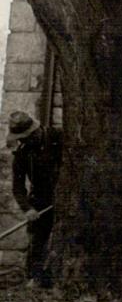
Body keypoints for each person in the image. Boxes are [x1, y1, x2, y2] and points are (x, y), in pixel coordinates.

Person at [7, 112, 62, 287]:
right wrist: (27, 208)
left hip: (68, 198)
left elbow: (87, 160)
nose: (22, 142)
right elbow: (18, 187)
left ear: (34, 132)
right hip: (40, 201)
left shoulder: (57, 137)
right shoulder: (23, 154)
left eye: (24, 138)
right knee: (37, 242)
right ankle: (35, 280)